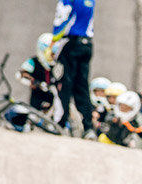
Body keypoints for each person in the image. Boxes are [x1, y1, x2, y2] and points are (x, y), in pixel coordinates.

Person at [50, 0, 96, 139]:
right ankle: (88, 126)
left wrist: (54, 40)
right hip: (87, 44)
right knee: (82, 85)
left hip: (71, 42)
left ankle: (60, 122)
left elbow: (62, 17)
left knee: (64, 83)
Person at [16, 33, 62, 114]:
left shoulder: (56, 65)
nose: (53, 54)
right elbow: (20, 75)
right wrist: (36, 83)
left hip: (53, 100)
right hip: (37, 99)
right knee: (35, 114)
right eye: (52, 51)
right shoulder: (34, 61)